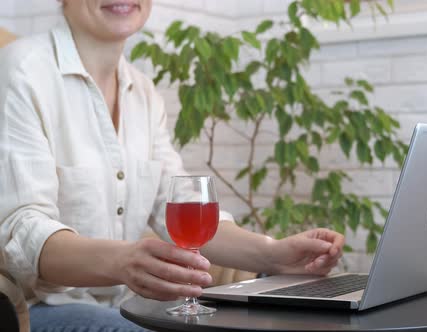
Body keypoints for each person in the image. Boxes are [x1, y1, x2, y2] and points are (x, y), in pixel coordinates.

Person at [0, 0, 344, 330]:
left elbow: (182, 209)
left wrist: (274, 254)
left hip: (124, 309)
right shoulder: (21, 71)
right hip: (38, 312)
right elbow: (24, 229)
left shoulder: (145, 94)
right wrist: (122, 261)